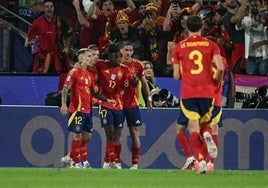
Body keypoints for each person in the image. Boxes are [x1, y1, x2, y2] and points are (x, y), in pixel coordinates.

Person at [172, 15, 224, 174]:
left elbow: (176, 76)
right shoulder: (211, 45)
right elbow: (221, 68)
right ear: (202, 27)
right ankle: (207, 137)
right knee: (205, 126)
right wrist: (216, 81)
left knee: (193, 128)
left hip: (188, 92)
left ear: (186, 27)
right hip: (207, 92)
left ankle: (200, 161)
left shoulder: (179, 47)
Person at [60, 48, 115, 168]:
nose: (91, 59)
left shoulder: (89, 75)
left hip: (87, 110)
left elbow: (93, 93)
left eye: (92, 56)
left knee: (87, 137)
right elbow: (65, 89)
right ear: (81, 59)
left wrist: (107, 100)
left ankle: (69, 157)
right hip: (77, 109)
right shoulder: (74, 72)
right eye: (88, 56)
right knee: (77, 135)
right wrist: (64, 104)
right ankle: (78, 162)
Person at [95, 41, 139, 169]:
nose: (116, 59)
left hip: (119, 106)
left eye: (117, 56)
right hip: (104, 104)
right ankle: (106, 162)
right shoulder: (100, 65)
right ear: (108, 55)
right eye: (113, 56)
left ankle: (114, 161)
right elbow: (89, 65)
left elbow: (133, 83)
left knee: (116, 135)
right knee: (109, 133)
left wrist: (135, 81)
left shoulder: (124, 69)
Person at [119, 41, 152, 169]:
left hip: (133, 104)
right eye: (126, 50)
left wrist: (148, 99)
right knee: (117, 133)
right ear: (121, 50)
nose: (128, 53)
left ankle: (135, 164)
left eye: (130, 50)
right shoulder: (116, 63)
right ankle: (115, 162)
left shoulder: (138, 64)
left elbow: (144, 83)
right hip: (119, 104)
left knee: (134, 132)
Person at [24, 0, 70, 74]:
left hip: (58, 56)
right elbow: (29, 36)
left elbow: (67, 35)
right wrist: (27, 41)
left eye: (51, 7)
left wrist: (67, 46)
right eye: (47, 7)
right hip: (43, 56)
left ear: (54, 8)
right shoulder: (37, 22)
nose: (49, 9)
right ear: (43, 8)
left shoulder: (59, 21)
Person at [235, 0, 268, 76]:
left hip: (263, 57)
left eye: (256, 6)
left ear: (261, 6)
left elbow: (264, 21)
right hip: (250, 57)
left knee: (263, 81)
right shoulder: (247, 19)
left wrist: (260, 43)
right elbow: (238, 26)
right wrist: (241, 17)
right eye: (252, 6)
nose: (254, 8)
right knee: (250, 81)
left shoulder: (266, 19)